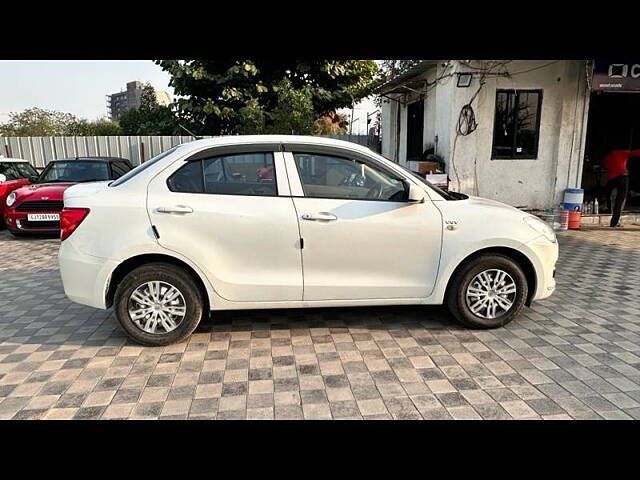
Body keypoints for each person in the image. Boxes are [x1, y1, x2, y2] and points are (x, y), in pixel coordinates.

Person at [602, 148, 640, 227]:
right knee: (619, 202)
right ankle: (614, 223)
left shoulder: (608, 156)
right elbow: (636, 153)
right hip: (623, 178)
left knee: (609, 196)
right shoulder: (623, 153)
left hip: (612, 179)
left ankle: (608, 206)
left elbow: (604, 165)